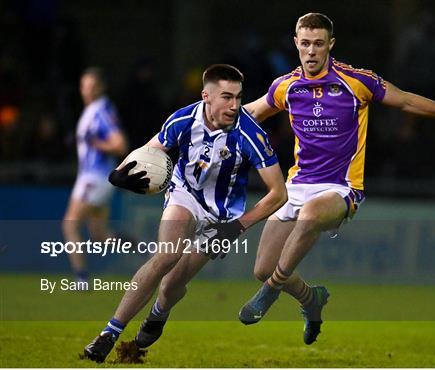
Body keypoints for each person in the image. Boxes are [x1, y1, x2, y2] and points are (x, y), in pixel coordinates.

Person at [238, 12, 435, 345]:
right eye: (305, 44)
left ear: (330, 44)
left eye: (318, 43)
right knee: (262, 267)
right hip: (296, 186)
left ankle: (270, 291)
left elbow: (405, 100)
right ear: (296, 44)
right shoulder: (286, 86)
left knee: (310, 217)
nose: (312, 51)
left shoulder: (356, 81)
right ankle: (311, 300)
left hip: (341, 188)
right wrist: (196, 124)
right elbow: (251, 113)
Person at [83, 64, 287, 363]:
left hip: (224, 216)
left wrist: (236, 228)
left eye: (239, 97)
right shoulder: (182, 119)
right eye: (227, 97)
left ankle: (159, 313)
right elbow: (149, 150)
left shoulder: (250, 135)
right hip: (185, 194)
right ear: (206, 96)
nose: (235, 105)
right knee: (167, 255)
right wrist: (119, 174)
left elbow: (278, 194)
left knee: (171, 286)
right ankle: (109, 333)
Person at [62, 67, 128, 286]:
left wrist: (96, 143)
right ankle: (145, 249)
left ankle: (81, 279)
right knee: (99, 234)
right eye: (84, 85)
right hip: (96, 178)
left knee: (70, 225)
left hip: (94, 177)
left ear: (101, 87)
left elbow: (120, 145)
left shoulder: (101, 110)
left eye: (92, 86)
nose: (87, 90)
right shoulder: (92, 110)